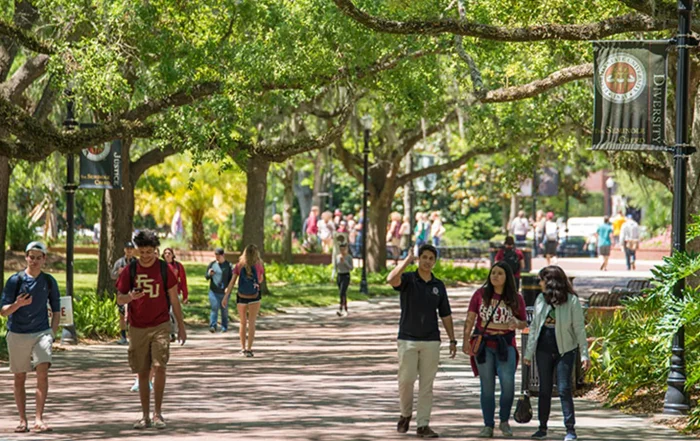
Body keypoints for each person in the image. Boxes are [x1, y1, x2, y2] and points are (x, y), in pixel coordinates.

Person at [115, 230, 186, 430]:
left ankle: (158, 413)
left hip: (161, 324)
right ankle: (145, 415)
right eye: (142, 252)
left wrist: (181, 326)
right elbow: (120, 298)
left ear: (156, 251)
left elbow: (174, 299)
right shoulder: (130, 270)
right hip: (137, 327)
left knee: (160, 365)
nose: (145, 256)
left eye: (149, 252)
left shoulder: (164, 269)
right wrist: (130, 297)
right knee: (143, 371)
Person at [388, 244, 457, 438]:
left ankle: (423, 424)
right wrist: (405, 262)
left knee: (427, 385)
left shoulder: (438, 286)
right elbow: (391, 279)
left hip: (431, 340)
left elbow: (445, 314)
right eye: (424, 257)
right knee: (406, 380)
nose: (427, 261)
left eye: (430, 258)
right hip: (407, 339)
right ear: (418, 259)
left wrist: (452, 339)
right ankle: (405, 414)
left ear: (434, 262)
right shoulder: (409, 279)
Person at [524, 266, 590, 441]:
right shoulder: (540, 299)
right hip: (543, 350)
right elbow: (534, 329)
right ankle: (542, 428)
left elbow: (579, 329)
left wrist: (584, 353)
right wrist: (528, 354)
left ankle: (570, 430)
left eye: (542, 279)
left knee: (564, 389)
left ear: (551, 281)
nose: (539, 283)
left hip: (565, 350)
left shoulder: (572, 301)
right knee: (544, 390)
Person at [0, 241, 60, 433]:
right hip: (17, 333)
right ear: (26, 257)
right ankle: (22, 420)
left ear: (44, 259)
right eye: (31, 257)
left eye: (38, 258)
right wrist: (17, 305)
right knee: (20, 377)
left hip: (41, 332)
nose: (34, 261)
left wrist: (52, 332)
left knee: (42, 372)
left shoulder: (49, 281)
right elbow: (3, 311)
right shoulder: (14, 281)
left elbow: (57, 310)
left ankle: (39, 419)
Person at [462, 261, 527, 438]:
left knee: (508, 385)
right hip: (484, 346)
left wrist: (517, 323)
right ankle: (488, 425)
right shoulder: (480, 295)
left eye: (499, 273)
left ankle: (504, 421)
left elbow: (525, 323)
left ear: (507, 277)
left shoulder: (515, 298)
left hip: (505, 345)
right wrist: (465, 340)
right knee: (487, 387)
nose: (495, 276)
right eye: (493, 273)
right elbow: (470, 319)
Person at [223, 245, 266, 357]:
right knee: (251, 322)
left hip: (242, 296)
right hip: (254, 297)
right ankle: (249, 349)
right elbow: (260, 280)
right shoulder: (259, 265)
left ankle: (242, 348)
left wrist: (226, 296)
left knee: (242, 322)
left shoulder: (239, 265)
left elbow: (232, 282)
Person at [111, 241, 137, 345]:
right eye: (127, 248)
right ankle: (122, 336)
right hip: (122, 291)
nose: (129, 251)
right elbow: (112, 275)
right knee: (122, 314)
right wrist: (118, 272)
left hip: (134, 291)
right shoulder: (119, 262)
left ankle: (133, 337)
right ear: (124, 250)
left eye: (131, 249)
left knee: (134, 314)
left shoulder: (137, 262)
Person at [205, 248, 234, 333]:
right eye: (216, 255)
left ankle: (224, 326)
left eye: (219, 255)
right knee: (214, 307)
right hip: (213, 291)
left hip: (224, 292)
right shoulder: (212, 264)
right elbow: (206, 277)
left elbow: (231, 279)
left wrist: (228, 288)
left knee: (224, 309)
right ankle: (213, 326)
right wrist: (209, 274)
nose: (217, 257)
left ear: (223, 255)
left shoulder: (228, 265)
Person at [335, 243, 353, 317]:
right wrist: (332, 276)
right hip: (339, 275)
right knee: (342, 293)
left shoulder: (349, 257)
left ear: (346, 249)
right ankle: (345, 308)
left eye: (344, 249)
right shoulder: (337, 257)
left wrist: (344, 262)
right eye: (341, 249)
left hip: (346, 275)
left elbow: (351, 268)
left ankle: (340, 308)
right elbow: (335, 267)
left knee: (342, 292)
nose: (342, 251)